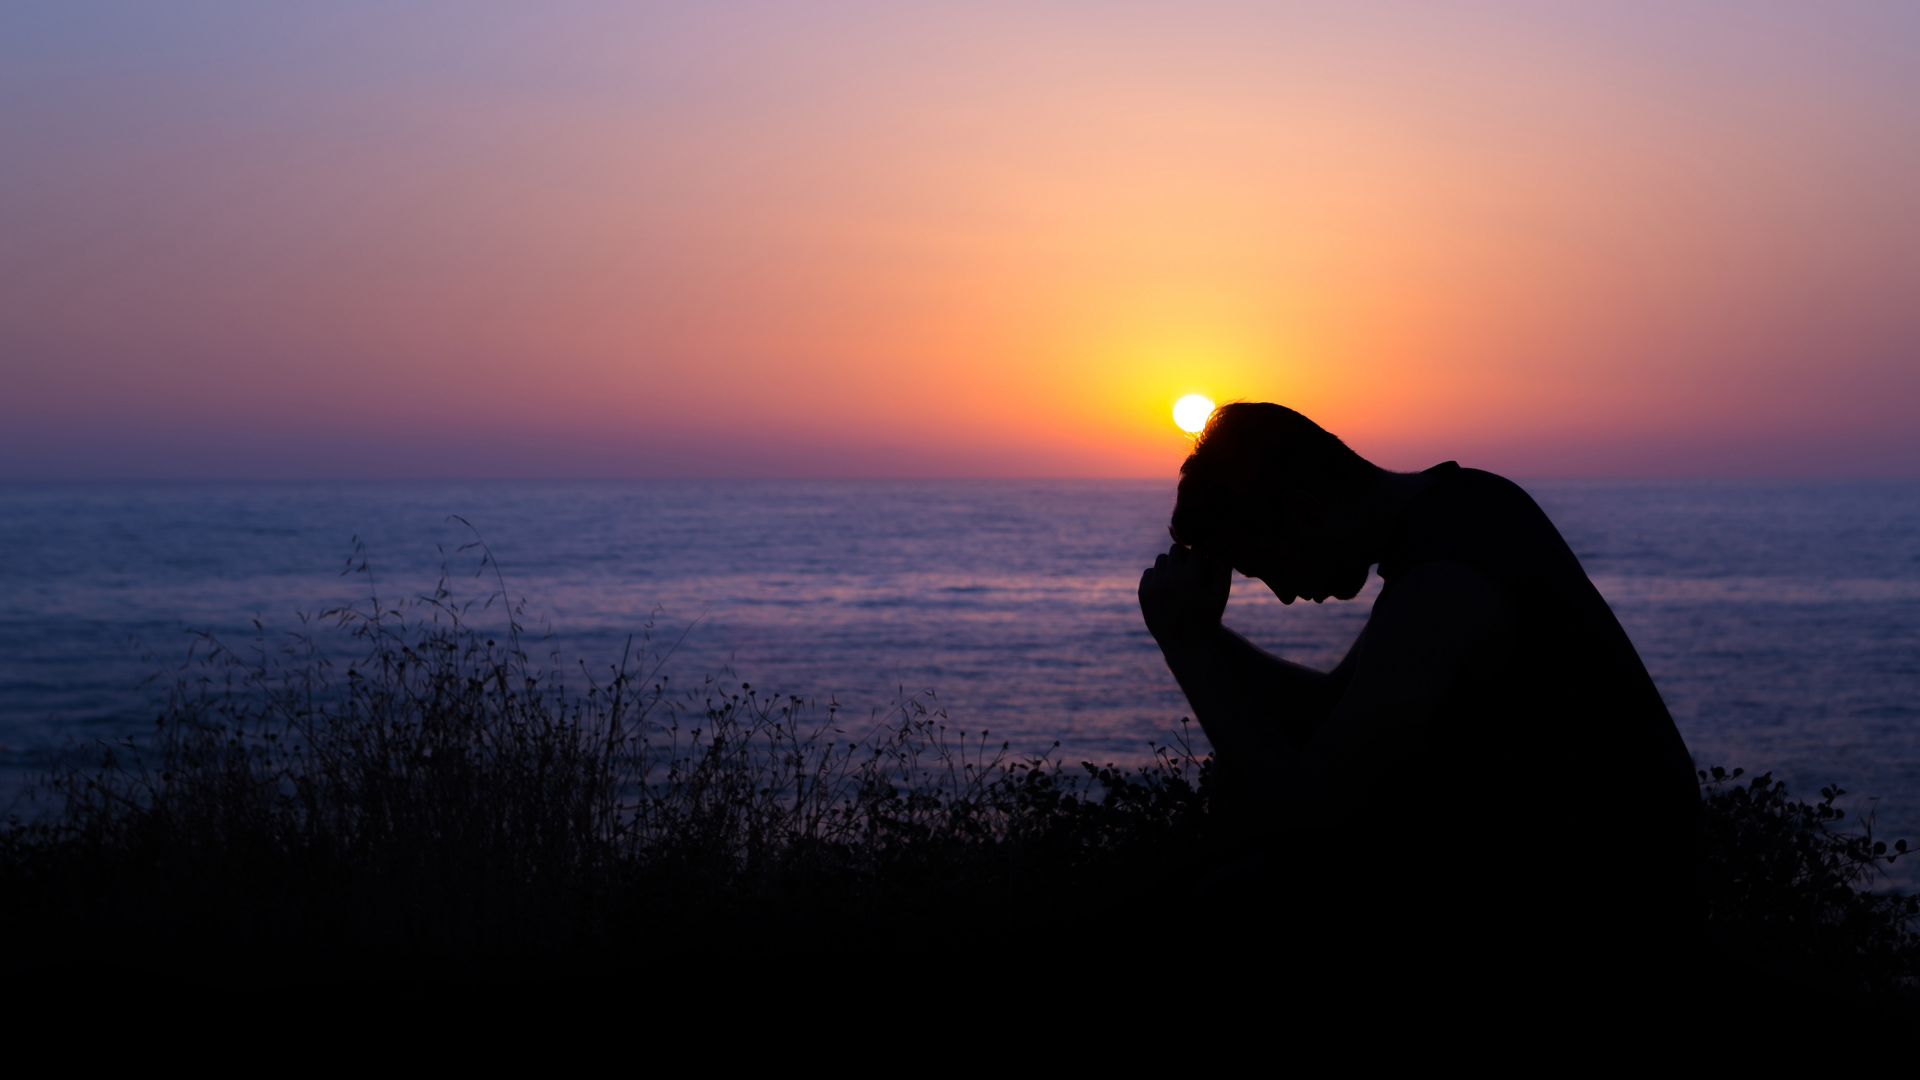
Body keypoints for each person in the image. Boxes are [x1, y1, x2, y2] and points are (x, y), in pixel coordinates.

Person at [1138, 402, 1701, 985]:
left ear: (1305, 512)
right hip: (1573, 866)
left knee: (1226, 904)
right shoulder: (1468, 507)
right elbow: (1332, 709)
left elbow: (1304, 811)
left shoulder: (1445, 580)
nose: (1281, 595)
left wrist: (1190, 649)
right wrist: (1199, 632)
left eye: (1266, 567)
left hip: (1591, 907)